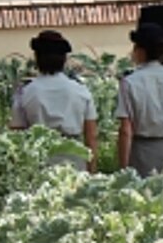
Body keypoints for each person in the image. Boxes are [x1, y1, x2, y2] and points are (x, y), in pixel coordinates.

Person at [10, 31, 99, 169]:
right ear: (64, 59)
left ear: (37, 59)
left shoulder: (24, 94)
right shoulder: (81, 91)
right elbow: (91, 136)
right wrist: (92, 170)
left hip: (39, 162)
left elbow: (16, 136)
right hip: (74, 161)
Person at [116, 22, 163, 174]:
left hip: (142, 153)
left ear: (141, 51)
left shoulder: (129, 82)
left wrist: (123, 169)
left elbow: (126, 130)